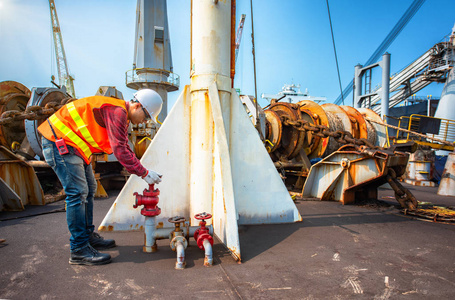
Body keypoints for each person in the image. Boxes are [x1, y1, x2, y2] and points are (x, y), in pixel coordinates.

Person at [38, 89, 163, 266]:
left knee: (89, 189)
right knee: (77, 194)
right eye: (147, 116)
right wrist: (143, 173)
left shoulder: (120, 114)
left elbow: (124, 148)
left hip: (74, 147)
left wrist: (143, 170)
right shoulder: (117, 111)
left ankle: (87, 237)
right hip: (59, 142)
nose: (145, 121)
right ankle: (79, 249)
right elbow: (119, 150)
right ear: (137, 106)